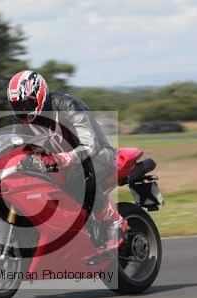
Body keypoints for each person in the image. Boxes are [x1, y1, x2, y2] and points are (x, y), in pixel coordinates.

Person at [7, 70, 123, 249]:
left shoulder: (68, 105)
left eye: (26, 104)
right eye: (17, 106)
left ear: (39, 94)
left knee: (78, 176)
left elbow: (90, 145)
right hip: (60, 162)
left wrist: (64, 158)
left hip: (98, 154)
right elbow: (19, 147)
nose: (22, 110)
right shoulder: (21, 121)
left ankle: (114, 220)